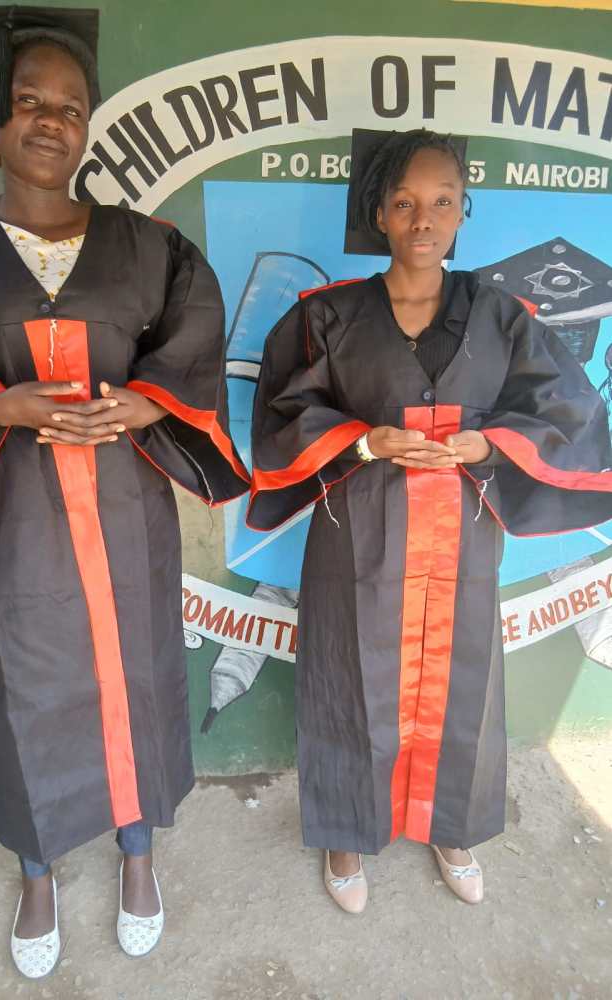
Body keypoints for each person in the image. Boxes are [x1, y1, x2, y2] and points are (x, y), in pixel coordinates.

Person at [0, 5, 248, 977]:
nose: (50, 120)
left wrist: (146, 403)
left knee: (138, 675)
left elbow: (193, 342)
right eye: (28, 100)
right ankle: (38, 871)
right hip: (14, 520)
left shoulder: (147, 246)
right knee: (24, 688)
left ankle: (137, 852)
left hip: (126, 512)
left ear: (87, 127)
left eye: (70, 107)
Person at [248, 128, 612, 913]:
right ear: (379, 211)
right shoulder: (328, 316)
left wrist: (491, 442)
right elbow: (283, 411)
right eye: (406, 202)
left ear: (462, 210)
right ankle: (348, 830)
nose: (424, 219)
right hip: (359, 531)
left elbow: (568, 409)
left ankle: (451, 826)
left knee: (462, 681)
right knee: (349, 673)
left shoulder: (501, 315)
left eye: (443, 201)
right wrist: (364, 440)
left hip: (461, 535)